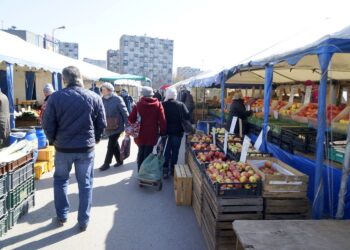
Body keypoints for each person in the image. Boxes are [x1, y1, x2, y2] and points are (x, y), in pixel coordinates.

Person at [42, 66, 106, 232]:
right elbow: (102, 123)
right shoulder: (94, 96)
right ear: (80, 78)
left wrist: (53, 140)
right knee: (85, 184)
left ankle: (62, 214)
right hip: (86, 148)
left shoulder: (55, 97)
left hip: (63, 148)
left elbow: (47, 123)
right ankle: (83, 220)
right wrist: (96, 138)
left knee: (61, 180)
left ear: (64, 80)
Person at [128, 86, 166, 172]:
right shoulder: (158, 104)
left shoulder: (138, 105)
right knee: (148, 153)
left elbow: (131, 119)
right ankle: (144, 173)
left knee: (141, 151)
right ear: (152, 94)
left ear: (143, 94)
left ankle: (140, 172)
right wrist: (163, 132)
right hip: (152, 133)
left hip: (140, 133)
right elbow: (162, 120)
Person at [99, 83, 129, 171]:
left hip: (117, 126)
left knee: (110, 145)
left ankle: (106, 163)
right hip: (108, 126)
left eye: (103, 89)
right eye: (101, 89)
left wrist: (128, 125)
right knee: (114, 144)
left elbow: (125, 113)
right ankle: (120, 160)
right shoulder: (102, 100)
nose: (102, 91)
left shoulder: (117, 99)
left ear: (109, 90)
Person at [162, 88, 189, 178]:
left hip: (165, 132)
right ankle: (173, 169)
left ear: (167, 95)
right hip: (178, 132)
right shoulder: (181, 105)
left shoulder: (163, 105)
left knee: (166, 150)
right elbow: (188, 116)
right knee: (175, 150)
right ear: (175, 95)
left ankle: (165, 169)